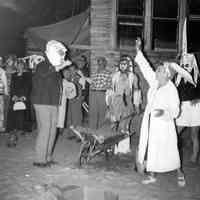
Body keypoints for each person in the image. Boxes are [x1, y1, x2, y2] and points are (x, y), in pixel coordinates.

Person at [134, 38, 188, 187]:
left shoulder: (171, 89)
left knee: (169, 149)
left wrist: (163, 114)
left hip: (164, 125)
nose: (156, 71)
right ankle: (151, 174)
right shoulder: (155, 82)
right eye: (157, 70)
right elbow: (146, 68)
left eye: (159, 70)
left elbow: (175, 111)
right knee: (151, 147)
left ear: (167, 74)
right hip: (151, 121)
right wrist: (139, 50)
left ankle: (180, 173)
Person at [31, 40, 71, 167]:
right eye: (59, 53)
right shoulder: (42, 65)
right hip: (42, 101)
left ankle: (47, 157)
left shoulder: (55, 69)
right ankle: (39, 159)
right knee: (45, 130)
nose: (61, 56)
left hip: (53, 102)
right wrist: (60, 66)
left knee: (52, 130)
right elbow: (44, 74)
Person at [175, 52, 200, 163]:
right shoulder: (178, 75)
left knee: (194, 134)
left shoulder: (197, 75)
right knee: (175, 132)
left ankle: (194, 157)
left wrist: (198, 98)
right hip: (182, 107)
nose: (186, 63)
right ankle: (173, 155)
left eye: (188, 62)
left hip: (195, 107)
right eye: (184, 62)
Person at [6, 60, 32, 138]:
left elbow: (28, 86)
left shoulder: (28, 75)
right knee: (13, 113)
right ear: (16, 66)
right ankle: (13, 129)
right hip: (15, 97)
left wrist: (23, 96)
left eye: (21, 65)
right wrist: (13, 95)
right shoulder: (14, 75)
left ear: (23, 66)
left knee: (23, 114)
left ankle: (24, 129)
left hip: (24, 97)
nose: (19, 67)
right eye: (18, 65)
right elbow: (12, 86)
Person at [88, 57, 112, 130]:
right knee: (92, 113)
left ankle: (100, 132)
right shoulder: (94, 73)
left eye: (101, 63)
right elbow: (91, 83)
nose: (100, 64)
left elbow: (110, 86)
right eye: (99, 63)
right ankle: (92, 131)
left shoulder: (108, 73)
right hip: (93, 94)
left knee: (102, 113)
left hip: (102, 94)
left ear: (105, 63)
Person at [0, 57, 8, 132]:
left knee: (1, 110)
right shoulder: (2, 71)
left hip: (0, 94)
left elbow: (5, 82)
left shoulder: (2, 71)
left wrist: (6, 92)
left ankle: (1, 126)